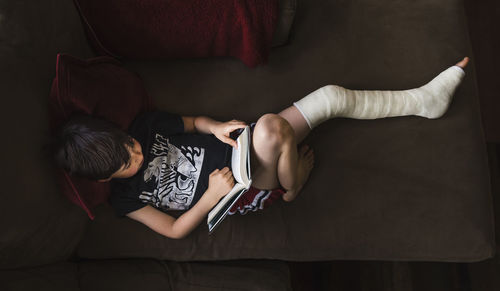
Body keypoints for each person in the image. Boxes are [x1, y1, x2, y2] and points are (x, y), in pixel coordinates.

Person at [54, 57, 469, 239]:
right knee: (273, 128)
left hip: (245, 144)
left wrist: (214, 127)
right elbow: (174, 231)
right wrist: (212, 195)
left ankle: (421, 102)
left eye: (130, 144)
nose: (138, 153)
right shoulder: (126, 199)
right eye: (128, 162)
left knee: (329, 97)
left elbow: (191, 122)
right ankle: (293, 187)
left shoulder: (144, 128)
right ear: (108, 179)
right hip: (243, 188)